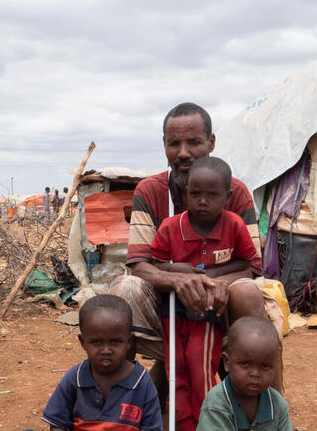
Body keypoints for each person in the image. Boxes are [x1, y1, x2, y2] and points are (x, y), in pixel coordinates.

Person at [109, 102, 284, 406]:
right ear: (164, 147)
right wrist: (179, 282)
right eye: (174, 144)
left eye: (193, 142)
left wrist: (210, 282)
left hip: (222, 298)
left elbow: (251, 267)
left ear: (211, 143)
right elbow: (139, 265)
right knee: (123, 291)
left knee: (247, 293)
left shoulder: (235, 192)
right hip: (169, 305)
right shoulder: (149, 192)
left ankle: (271, 408)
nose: (183, 153)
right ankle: (123, 402)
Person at [148, 157, 259, 431]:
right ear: (186, 193)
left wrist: (212, 275)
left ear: (227, 196)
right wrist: (178, 270)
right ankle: (182, 423)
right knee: (176, 370)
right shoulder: (171, 227)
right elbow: (155, 263)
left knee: (201, 370)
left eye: (212, 195)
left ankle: (208, 423)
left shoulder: (233, 225)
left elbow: (247, 264)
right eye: (195, 194)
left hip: (206, 313)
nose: (202, 201)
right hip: (172, 312)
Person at [41, 294, 162, 431]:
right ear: (83, 342)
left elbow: (152, 427)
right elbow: (58, 424)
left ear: (129, 342)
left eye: (115, 341)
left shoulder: (142, 383)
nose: (106, 350)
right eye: (96, 342)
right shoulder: (75, 378)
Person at [198, 317, 291, 431]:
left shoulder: (277, 404)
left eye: (265, 366)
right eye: (245, 363)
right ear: (227, 362)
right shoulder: (216, 404)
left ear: (275, 366)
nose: (255, 374)